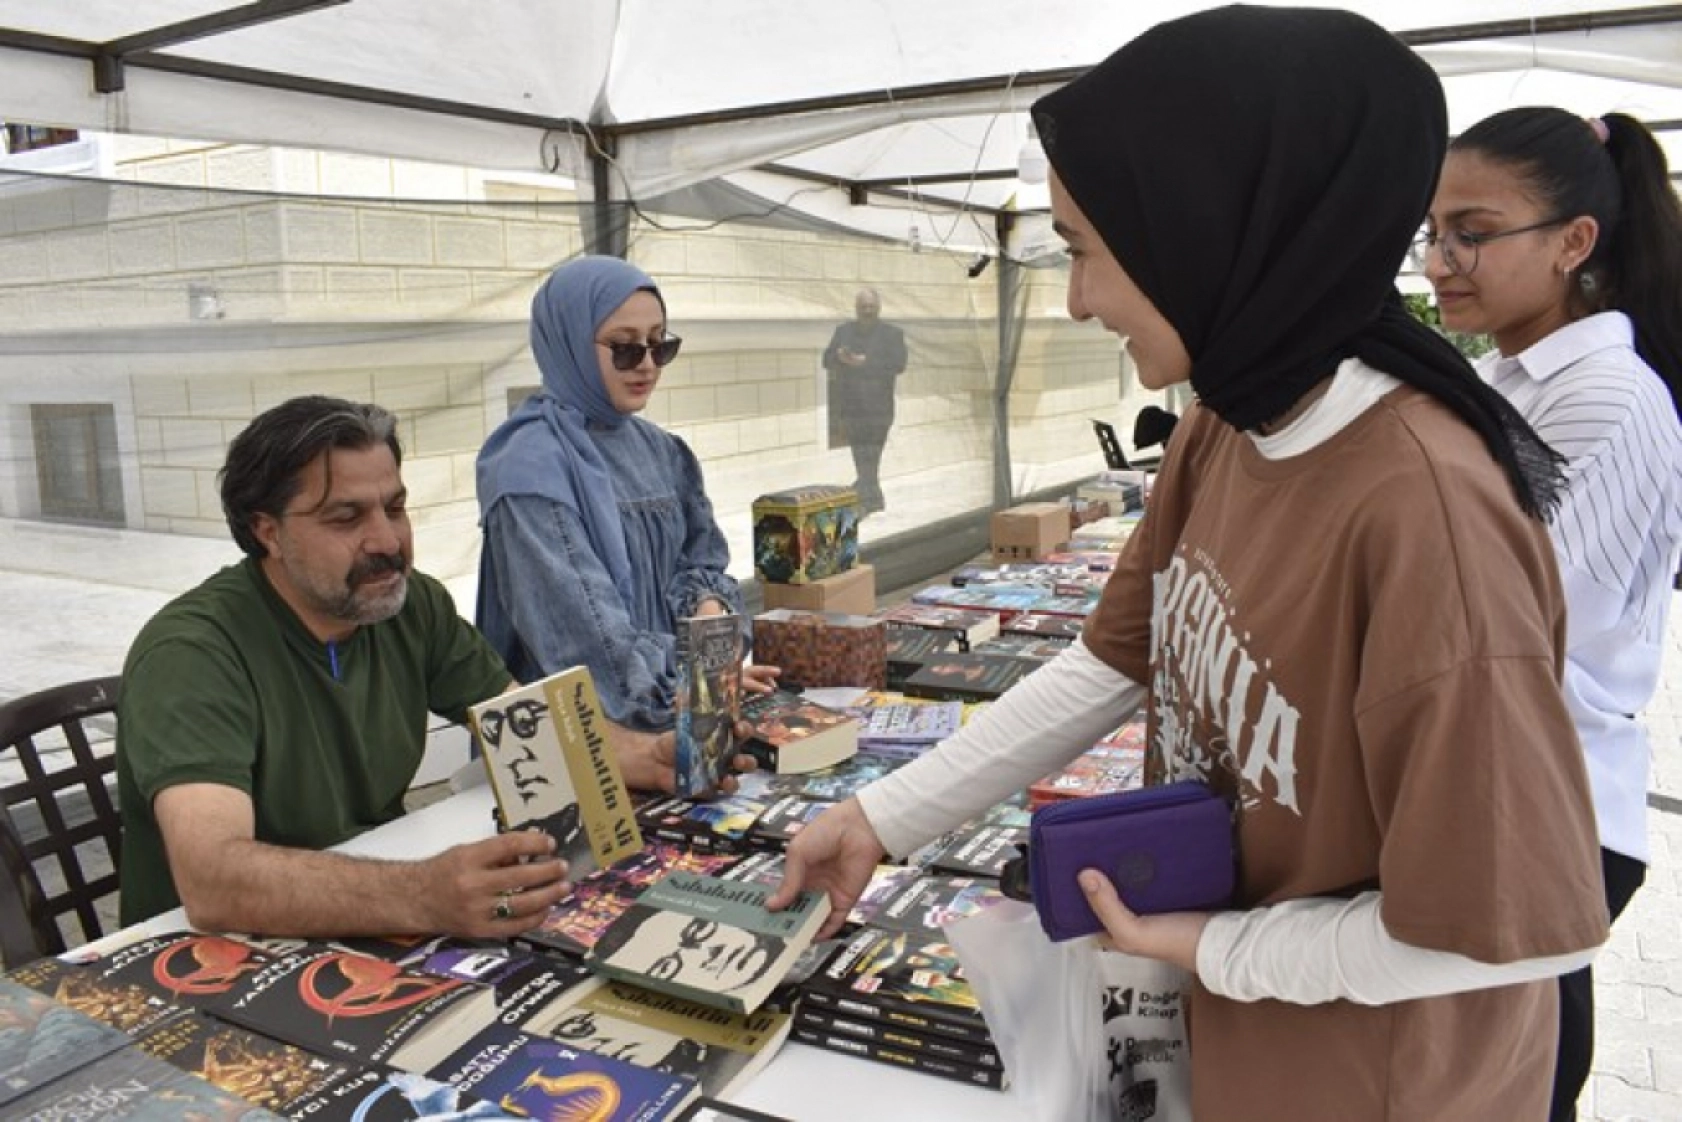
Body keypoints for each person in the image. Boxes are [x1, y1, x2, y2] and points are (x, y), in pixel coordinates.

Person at [770, 8, 1609, 1121]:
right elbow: (1109, 662)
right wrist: (881, 819)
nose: (1073, 300)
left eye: (1082, 250)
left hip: (1377, 1084)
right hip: (1235, 1050)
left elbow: (1497, 939)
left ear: (1206, 228)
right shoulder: (1226, 418)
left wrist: (1220, 948)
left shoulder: (1425, 515)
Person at [116, 396, 690, 937]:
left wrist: (653, 754)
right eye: (346, 518)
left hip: (364, 916)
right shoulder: (192, 654)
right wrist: (423, 895)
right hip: (209, 961)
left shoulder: (412, 606)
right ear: (268, 531)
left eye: (394, 507)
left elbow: (530, 725)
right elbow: (215, 882)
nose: (388, 541)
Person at [1422, 107, 1682, 1122]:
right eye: (1431, 232)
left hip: (1549, 811)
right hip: (1499, 794)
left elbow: (1511, 626)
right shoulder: (1502, 377)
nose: (1440, 260)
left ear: (1574, 242)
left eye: (1470, 232)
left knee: (1516, 1085)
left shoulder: (1605, 398)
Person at [476, 256, 776, 732]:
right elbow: (583, 643)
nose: (648, 366)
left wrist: (710, 620)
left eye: (660, 346)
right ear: (569, 341)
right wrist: (695, 677)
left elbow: (702, 564)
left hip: (679, 707)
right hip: (584, 736)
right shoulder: (528, 465)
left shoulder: (662, 450)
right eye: (624, 349)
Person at [822, 288, 907, 514]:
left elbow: (899, 364)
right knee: (859, 452)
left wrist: (865, 362)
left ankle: (867, 491)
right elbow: (826, 359)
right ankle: (871, 496)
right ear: (856, 308)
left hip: (879, 409)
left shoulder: (892, 334)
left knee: (872, 452)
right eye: (863, 307)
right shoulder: (843, 331)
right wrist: (840, 358)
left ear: (878, 308)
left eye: (871, 307)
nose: (867, 311)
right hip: (851, 406)